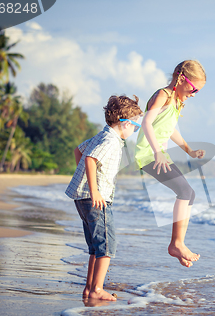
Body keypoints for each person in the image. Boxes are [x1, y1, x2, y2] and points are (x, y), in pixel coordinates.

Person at [65, 95, 143, 301]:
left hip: (82, 198)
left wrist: (84, 181)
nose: (135, 130)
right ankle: (97, 289)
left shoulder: (101, 135)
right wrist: (94, 190)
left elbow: (79, 151)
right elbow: (89, 159)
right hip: (95, 199)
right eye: (135, 126)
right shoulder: (110, 140)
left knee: (95, 246)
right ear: (125, 123)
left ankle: (90, 288)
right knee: (107, 246)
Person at [135, 60, 206, 268]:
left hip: (158, 153)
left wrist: (189, 150)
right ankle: (176, 244)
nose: (193, 94)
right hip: (149, 153)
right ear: (181, 78)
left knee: (189, 193)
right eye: (193, 89)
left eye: (197, 92)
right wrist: (157, 152)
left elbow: (171, 128)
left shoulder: (176, 101)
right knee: (184, 191)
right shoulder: (163, 95)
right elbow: (147, 122)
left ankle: (178, 246)